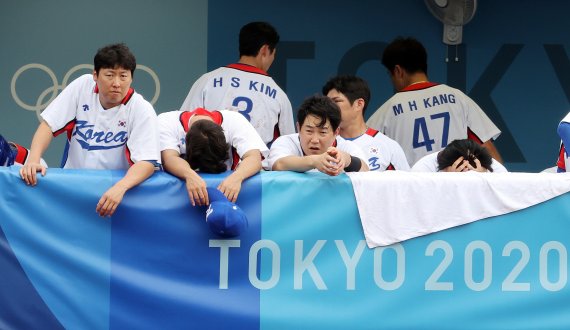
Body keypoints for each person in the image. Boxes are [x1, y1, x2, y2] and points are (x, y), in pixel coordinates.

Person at [19, 43, 161, 217]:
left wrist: (120, 187)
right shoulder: (82, 86)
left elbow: (146, 162)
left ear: (131, 78)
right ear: (95, 75)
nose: (117, 83)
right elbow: (48, 125)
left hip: (115, 193)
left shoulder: (141, 108)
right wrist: (33, 160)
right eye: (109, 75)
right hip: (73, 186)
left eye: (123, 76)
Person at [366, 37, 502, 165]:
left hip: (413, 187)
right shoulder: (457, 98)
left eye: (390, 75)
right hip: (455, 185)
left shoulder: (386, 111)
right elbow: (486, 148)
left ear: (398, 71)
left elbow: (366, 154)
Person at [180, 21, 294, 147]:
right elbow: (287, 148)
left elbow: (182, 125)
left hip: (209, 163)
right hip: (255, 164)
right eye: (274, 53)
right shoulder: (278, 95)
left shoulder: (207, 80)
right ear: (265, 50)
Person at [159, 107, 268, 206]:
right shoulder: (167, 121)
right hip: (181, 201)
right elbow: (169, 158)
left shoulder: (235, 120)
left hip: (229, 197)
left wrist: (238, 177)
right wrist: (189, 175)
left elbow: (254, 157)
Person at [322, 75, 409, 171]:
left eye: (336, 101)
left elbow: (406, 184)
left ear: (359, 104)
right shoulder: (319, 143)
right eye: (327, 103)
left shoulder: (388, 147)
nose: (328, 108)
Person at [267, 95, 369, 174]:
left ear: (336, 132)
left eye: (323, 132)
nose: (315, 140)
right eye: (309, 131)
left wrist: (347, 160)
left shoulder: (345, 147)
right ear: (298, 128)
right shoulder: (286, 142)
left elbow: (366, 170)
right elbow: (278, 164)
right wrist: (315, 161)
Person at [411, 139, 508, 173]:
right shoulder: (422, 170)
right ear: (442, 168)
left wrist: (483, 181)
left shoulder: (491, 168)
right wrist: (447, 182)